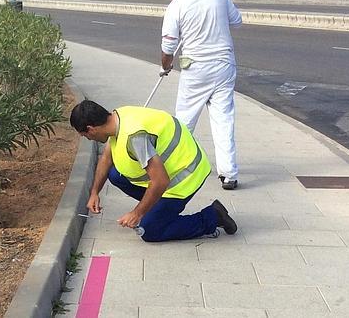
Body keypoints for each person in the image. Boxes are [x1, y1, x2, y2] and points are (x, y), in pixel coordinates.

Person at [70, 100, 237, 242]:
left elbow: (160, 181)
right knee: (115, 175)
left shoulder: (135, 138)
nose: (89, 139)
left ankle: (213, 217)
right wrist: (94, 193)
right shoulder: (118, 116)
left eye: (86, 136)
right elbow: (107, 158)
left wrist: (137, 213)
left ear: (91, 129)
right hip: (170, 171)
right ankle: (157, 208)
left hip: (184, 179)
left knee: (149, 230)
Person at [159, 0, 242, 190]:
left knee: (184, 120)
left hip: (195, 68)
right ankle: (229, 174)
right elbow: (237, 20)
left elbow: (168, 48)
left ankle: (174, 166)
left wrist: (165, 67)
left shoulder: (177, 5)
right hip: (225, 65)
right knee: (224, 118)